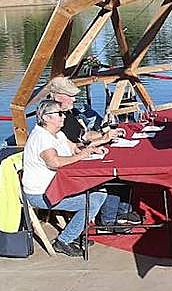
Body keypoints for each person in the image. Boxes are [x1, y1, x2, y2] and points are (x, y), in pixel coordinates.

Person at [21, 101, 134, 258]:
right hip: (43, 193)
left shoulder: (57, 134)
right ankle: (63, 241)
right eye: (59, 114)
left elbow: (74, 147)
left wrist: (93, 148)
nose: (63, 116)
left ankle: (76, 231)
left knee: (99, 190)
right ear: (46, 118)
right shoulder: (41, 138)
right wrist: (81, 155)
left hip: (58, 186)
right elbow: (54, 162)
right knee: (93, 200)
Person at [43, 75, 122, 147]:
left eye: (74, 96)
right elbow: (71, 148)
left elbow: (84, 136)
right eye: (70, 95)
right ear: (57, 96)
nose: (74, 99)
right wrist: (103, 139)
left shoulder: (70, 112)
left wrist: (105, 132)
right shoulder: (52, 119)